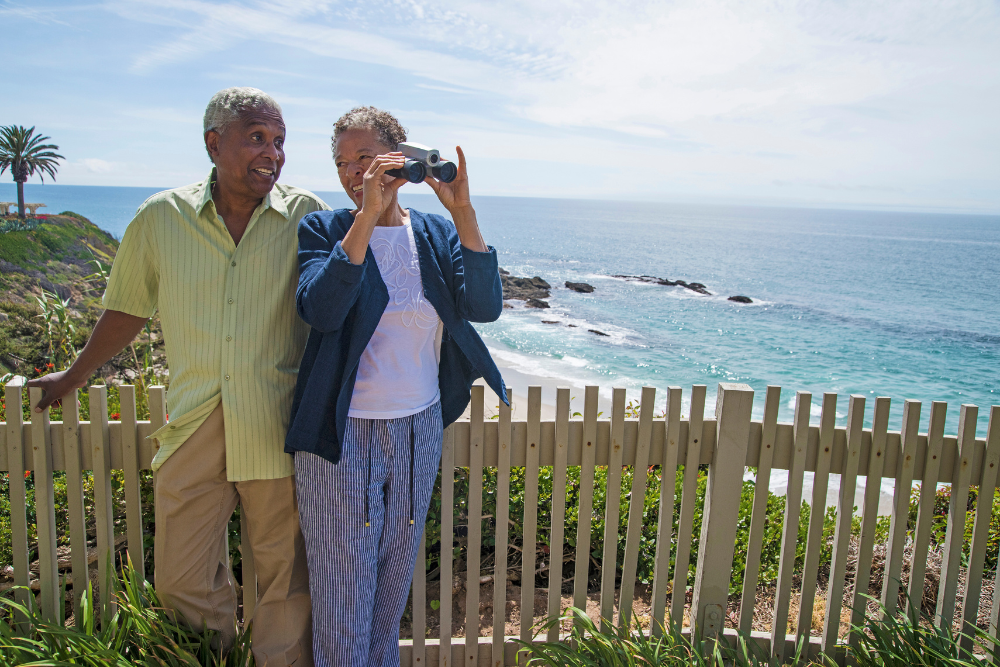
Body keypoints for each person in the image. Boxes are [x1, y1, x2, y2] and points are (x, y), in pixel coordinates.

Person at [27, 87, 324, 666]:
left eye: (280, 141)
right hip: (194, 422)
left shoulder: (306, 213)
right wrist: (76, 374)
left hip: (277, 422)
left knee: (283, 581)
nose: (273, 153)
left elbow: (335, 304)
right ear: (214, 144)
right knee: (181, 579)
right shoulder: (160, 217)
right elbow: (127, 308)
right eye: (257, 138)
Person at [285, 106, 508, 667]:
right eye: (342, 162)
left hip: (418, 425)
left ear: (399, 156)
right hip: (344, 431)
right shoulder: (326, 228)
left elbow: (484, 307)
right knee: (341, 578)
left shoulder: (433, 233)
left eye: (365, 157)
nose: (352, 171)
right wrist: (365, 218)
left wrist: (463, 214)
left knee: (394, 569)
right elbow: (322, 310)